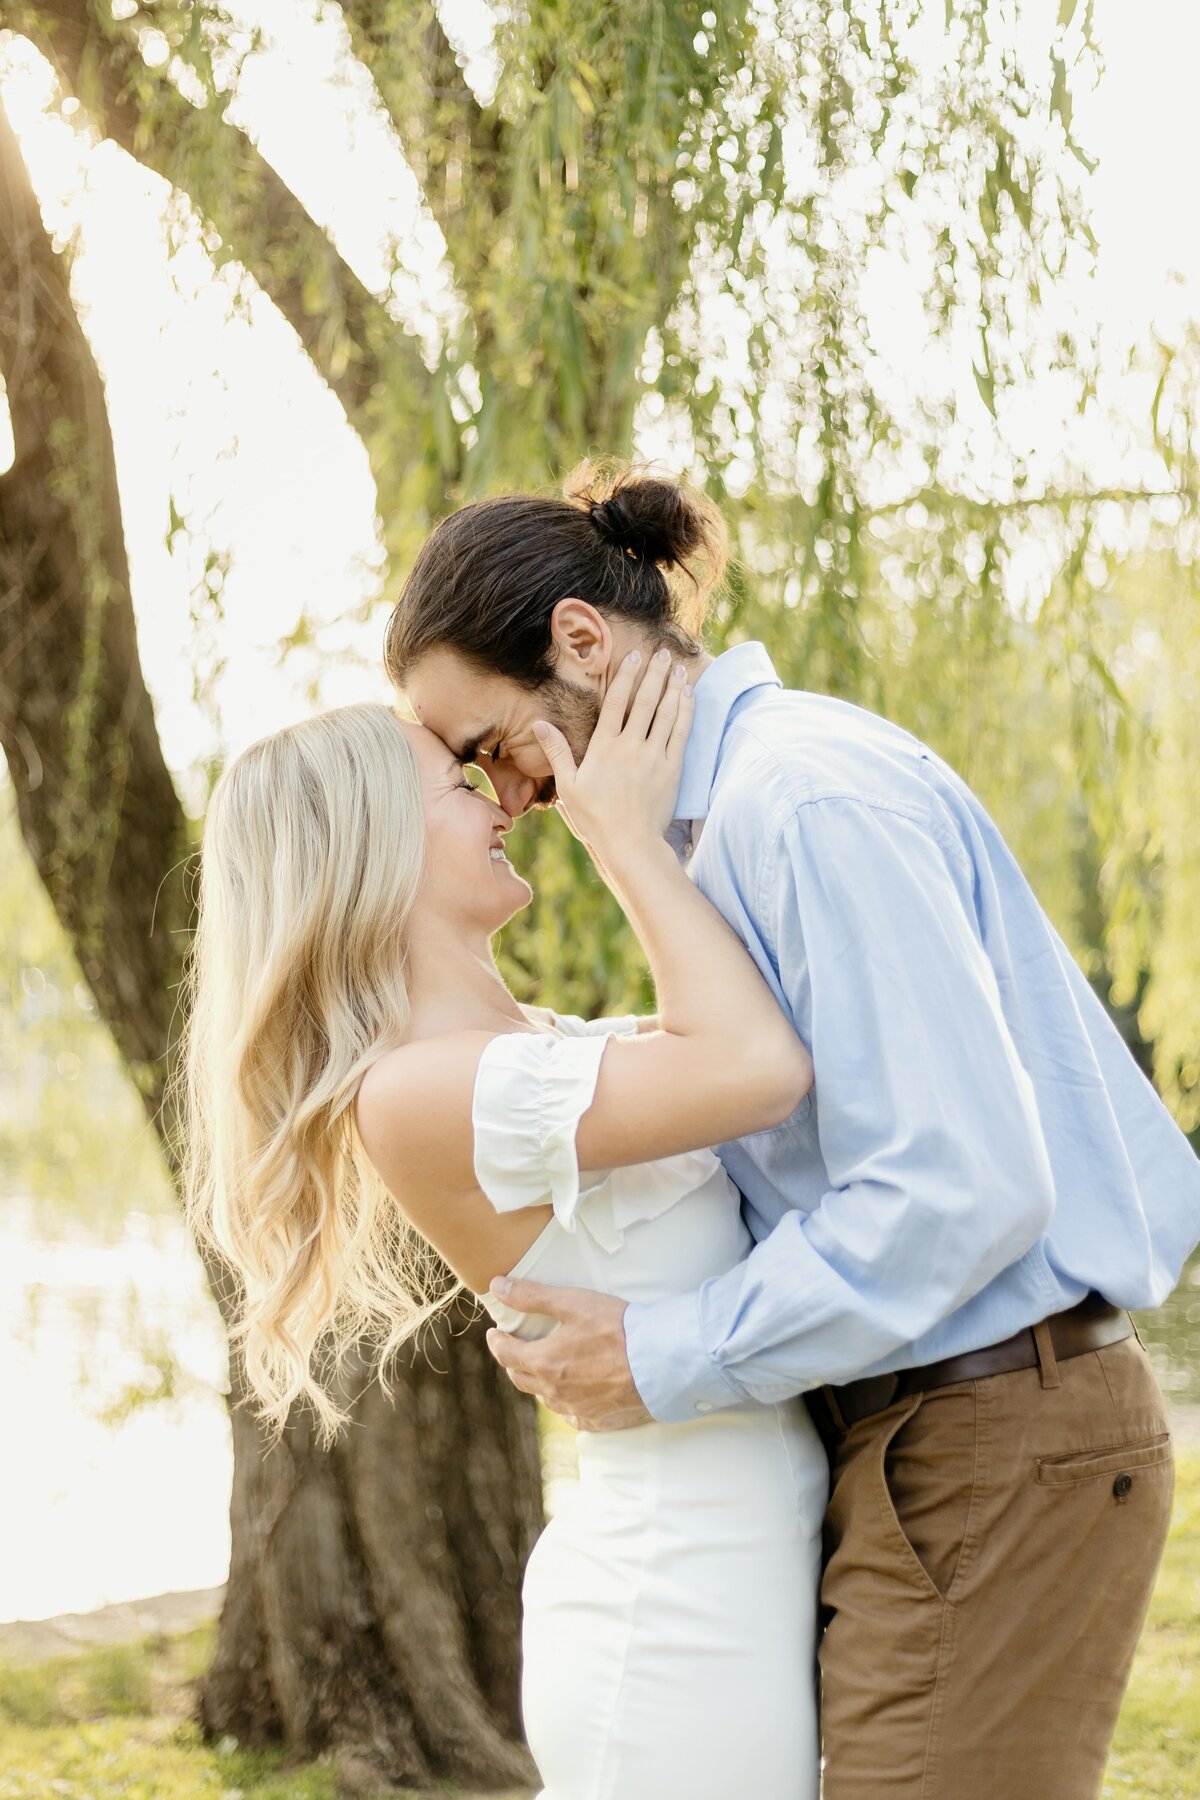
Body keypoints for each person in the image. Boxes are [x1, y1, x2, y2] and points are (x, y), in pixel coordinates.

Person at [384, 459, 1200, 1800]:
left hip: (994, 1420)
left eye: (494, 746)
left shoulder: (801, 801)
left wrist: (665, 1352)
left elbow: (961, 1188)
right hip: (917, 1429)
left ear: (581, 644)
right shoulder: (708, 829)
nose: (508, 797)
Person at [175, 663, 828, 1800]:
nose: (501, 805)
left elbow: (755, 1051)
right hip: (673, 1616)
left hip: (744, 1578)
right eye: (457, 784)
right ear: (373, 845)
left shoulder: (532, 1048)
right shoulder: (426, 1090)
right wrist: (622, 836)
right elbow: (760, 1067)